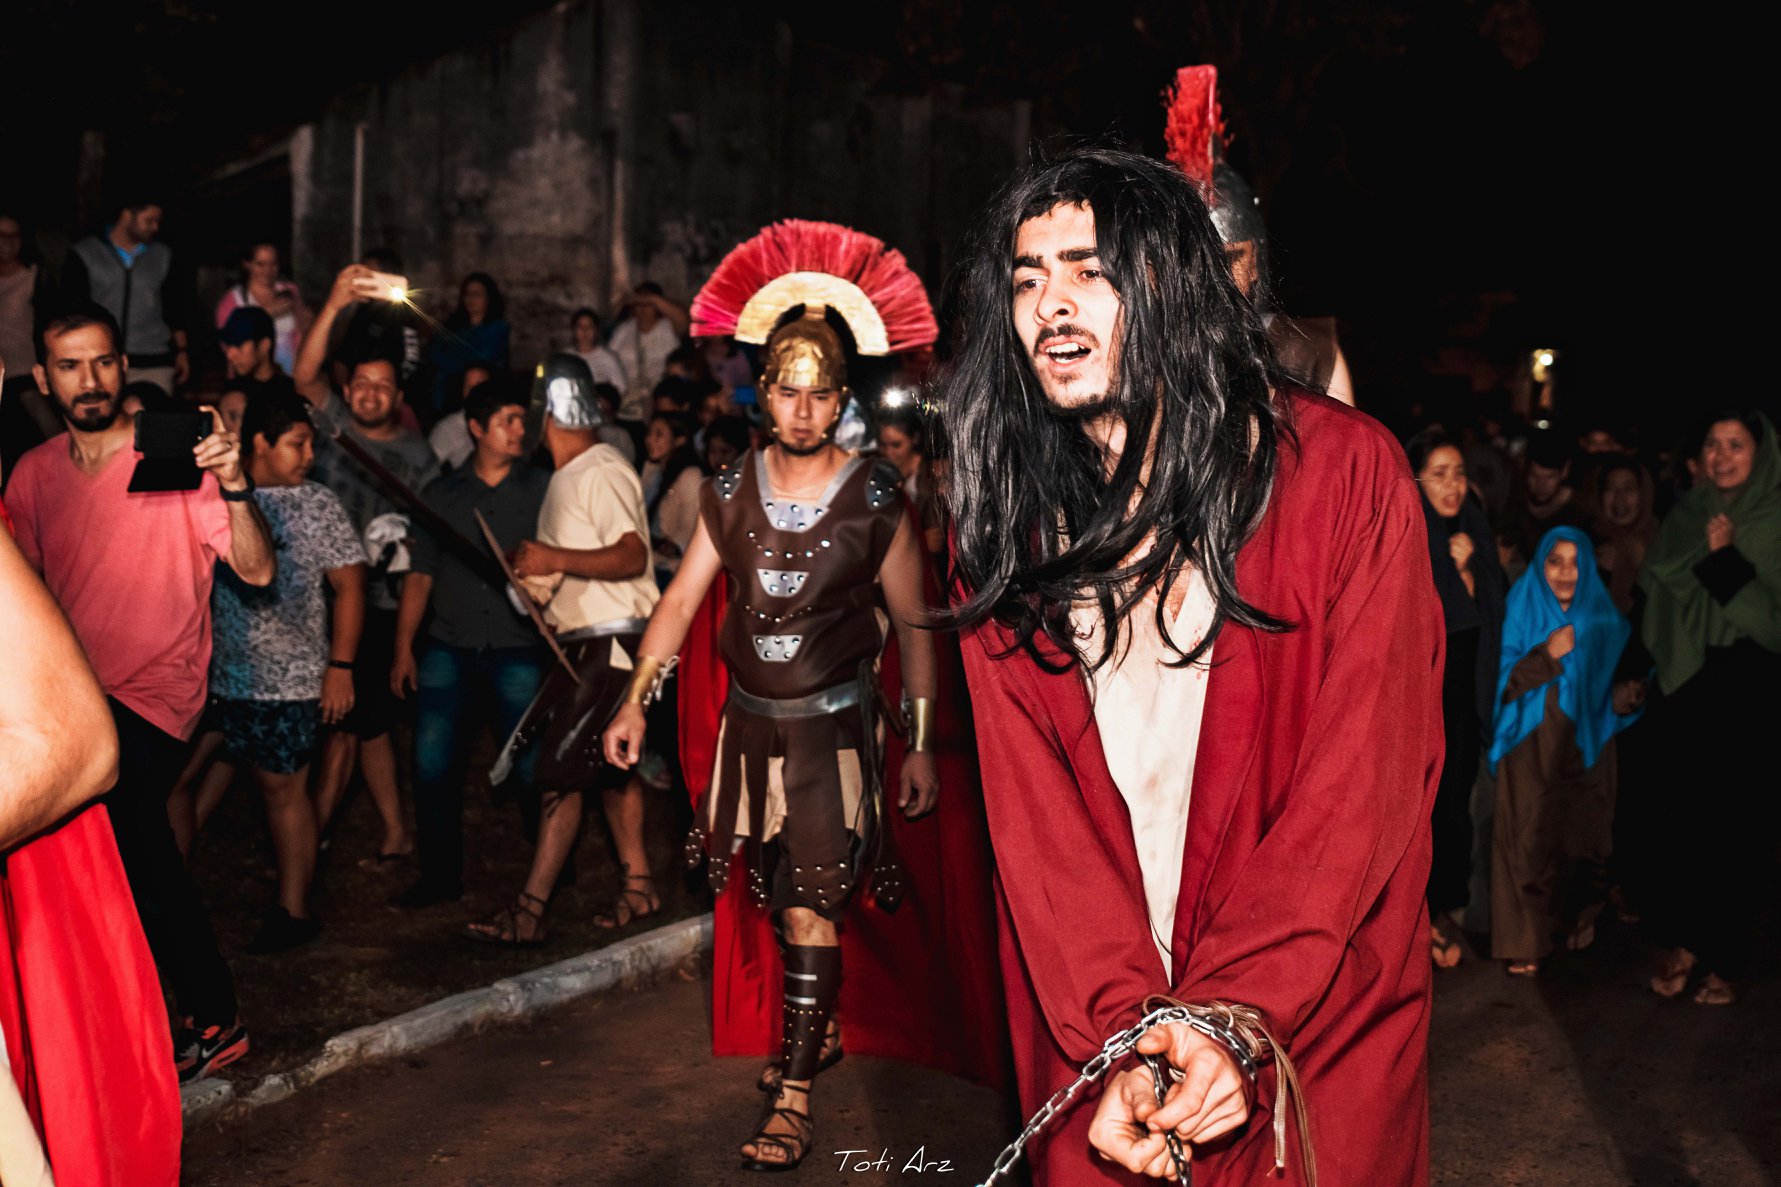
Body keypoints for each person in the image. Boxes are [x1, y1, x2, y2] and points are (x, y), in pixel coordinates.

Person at [937, 147, 1443, 1187]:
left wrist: (1232, 1008)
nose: (1050, 305)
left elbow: (1362, 782)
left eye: (1088, 271)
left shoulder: (1344, 479)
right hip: (1096, 1013)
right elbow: (1036, 825)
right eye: (1027, 281)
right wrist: (1125, 1028)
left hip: (1313, 1000)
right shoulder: (1002, 524)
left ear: (1175, 281)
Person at [603, 268, 942, 1169]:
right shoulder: (727, 489)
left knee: (807, 906)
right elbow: (680, 603)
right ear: (764, 393)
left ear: (839, 400)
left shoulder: (876, 497)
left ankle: (792, 1099)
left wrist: (916, 742)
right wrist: (634, 698)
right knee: (783, 896)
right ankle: (813, 1028)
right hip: (750, 733)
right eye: (787, 391)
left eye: (819, 393)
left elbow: (914, 624)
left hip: (833, 736)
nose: (802, 409)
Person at [7, 298, 275, 1083]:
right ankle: (129, 1021)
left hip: (160, 691)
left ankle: (212, 1014)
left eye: (101, 361)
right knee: (109, 852)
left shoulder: (175, 456)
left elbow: (257, 570)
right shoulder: (34, 474)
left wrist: (234, 483)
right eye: (69, 365)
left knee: (127, 821)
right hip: (77, 697)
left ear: (124, 366)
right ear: (43, 378)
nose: (88, 379)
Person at [0, 491, 181, 1185]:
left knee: (155, 863)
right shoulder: (39, 476)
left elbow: (74, 744)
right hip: (60, 690)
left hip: (123, 705)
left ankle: (212, 1015)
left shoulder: (175, 484)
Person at [464, 355, 657, 944]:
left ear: (548, 411)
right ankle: (639, 887)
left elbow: (632, 555)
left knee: (560, 774)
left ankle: (529, 912)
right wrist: (535, 580)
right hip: (583, 643)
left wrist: (554, 558)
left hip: (614, 642)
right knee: (612, 770)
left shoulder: (601, 467)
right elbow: (570, 572)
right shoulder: (563, 480)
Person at [202, 390, 367, 952]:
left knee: (282, 789)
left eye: (311, 444)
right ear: (259, 443)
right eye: (298, 444)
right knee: (179, 781)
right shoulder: (213, 493)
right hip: (215, 675)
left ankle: (293, 910)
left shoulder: (316, 503)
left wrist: (340, 666)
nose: (310, 456)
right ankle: (162, 894)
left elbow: (350, 586)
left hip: (290, 678)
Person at [296, 264, 441, 862]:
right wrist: (334, 302)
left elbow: (423, 560)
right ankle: (391, 830)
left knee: (351, 724)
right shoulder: (330, 426)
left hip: (378, 607)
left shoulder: (419, 458)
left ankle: (310, 842)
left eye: (382, 386)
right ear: (348, 387)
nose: (370, 394)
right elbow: (304, 376)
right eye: (361, 384)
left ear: (398, 398)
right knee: (363, 723)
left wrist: (405, 642)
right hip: (313, 598)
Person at [391, 377, 549, 907]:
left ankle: (551, 862)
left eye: (522, 420)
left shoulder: (542, 489)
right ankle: (439, 876)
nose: (519, 430)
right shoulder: (442, 495)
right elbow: (420, 575)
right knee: (432, 764)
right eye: (508, 421)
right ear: (476, 428)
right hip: (449, 648)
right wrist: (403, 648)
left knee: (530, 765)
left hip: (517, 647)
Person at [1640, 411, 1781, 1006]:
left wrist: (1724, 560)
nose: (1722, 456)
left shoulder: (1773, 518)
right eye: (1713, 444)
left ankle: (1727, 955)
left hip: (1750, 687)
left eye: (1736, 445)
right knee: (1683, 823)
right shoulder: (1688, 513)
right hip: (1687, 684)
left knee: (1738, 829)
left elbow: (1773, 625)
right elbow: (1652, 594)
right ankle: (1686, 941)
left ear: (1762, 453)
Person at [1487, 527, 1640, 977]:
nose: (1566, 573)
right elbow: (1496, 679)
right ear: (1540, 565)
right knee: (1525, 838)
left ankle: (1579, 916)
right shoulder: (1521, 606)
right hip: (1529, 738)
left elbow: (1631, 673)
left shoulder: (1604, 617)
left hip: (1587, 739)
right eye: (1555, 562)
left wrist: (1628, 694)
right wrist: (1545, 657)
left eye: (1575, 562)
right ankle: (1525, 941)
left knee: (1584, 837)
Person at [1162, 64, 1356, 406]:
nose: (1213, 279)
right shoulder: (1140, 349)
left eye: (1230, 259)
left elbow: (1344, 440)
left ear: (1254, 262)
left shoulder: (1307, 354)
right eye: (1193, 260)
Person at [1408, 429, 1505, 969]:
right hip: (1417, 698)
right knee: (1416, 810)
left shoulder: (1472, 528)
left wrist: (1467, 573)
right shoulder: (1405, 532)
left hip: (1463, 699)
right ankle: (1414, 921)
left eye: (1460, 474)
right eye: (1439, 474)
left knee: (1453, 808)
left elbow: (1491, 614)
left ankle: (1442, 913)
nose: (1453, 485)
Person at [60, 195, 191, 396]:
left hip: (154, 358)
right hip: (102, 357)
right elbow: (72, 308)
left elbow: (175, 306)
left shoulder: (163, 255)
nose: (155, 227)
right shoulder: (86, 253)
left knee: (154, 413)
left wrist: (182, 351)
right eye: (149, 220)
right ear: (127, 215)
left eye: (158, 221)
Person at [1, 214, 62, 477]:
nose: (6, 242)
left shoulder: (35, 276)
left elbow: (51, 322)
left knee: (49, 442)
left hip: (26, 374)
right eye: (1, 235)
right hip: (1, 375)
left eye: (12, 235)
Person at [333, 247, 424, 406]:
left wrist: (392, 395)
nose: (365, 278)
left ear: (387, 275)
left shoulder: (403, 313)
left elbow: (411, 360)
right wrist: (346, 390)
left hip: (390, 402)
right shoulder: (363, 309)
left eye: (370, 273)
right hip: (356, 396)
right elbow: (344, 354)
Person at [1498, 428, 1588, 577]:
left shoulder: (1582, 508)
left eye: (1549, 477)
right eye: (1534, 476)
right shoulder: (1515, 498)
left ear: (1565, 471)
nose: (1540, 485)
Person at [213, 240, 311, 375]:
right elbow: (227, 344)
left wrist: (304, 320)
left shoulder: (289, 290)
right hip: (250, 376)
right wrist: (264, 314)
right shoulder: (232, 300)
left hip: (290, 371)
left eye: (273, 264)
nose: (268, 270)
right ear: (247, 264)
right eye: (261, 264)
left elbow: (304, 334)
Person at [424, 272, 510, 419]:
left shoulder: (498, 328)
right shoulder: (453, 326)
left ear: (489, 298)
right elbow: (433, 353)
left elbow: (481, 359)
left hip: (480, 398)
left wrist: (453, 359)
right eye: (467, 294)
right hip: (446, 397)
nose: (471, 299)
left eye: (477, 294)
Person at [607, 282, 687, 425]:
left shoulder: (668, 328)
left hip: (658, 395)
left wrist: (652, 298)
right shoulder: (624, 330)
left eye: (648, 305)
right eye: (639, 304)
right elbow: (609, 359)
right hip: (627, 397)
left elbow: (684, 320)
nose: (643, 309)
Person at [640, 410, 702, 588]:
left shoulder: (691, 476)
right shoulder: (654, 472)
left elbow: (688, 532)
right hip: (650, 562)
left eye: (659, 434)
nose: (650, 440)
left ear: (680, 439)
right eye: (649, 433)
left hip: (671, 570)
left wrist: (672, 546)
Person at [1591, 456, 1660, 614]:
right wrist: (1602, 572)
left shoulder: (1662, 541)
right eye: (1610, 488)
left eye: (1628, 488)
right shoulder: (1583, 541)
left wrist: (1643, 566)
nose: (1619, 497)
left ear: (1643, 495)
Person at [427, 361, 495, 471]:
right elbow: (426, 471)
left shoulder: (507, 424)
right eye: (469, 387)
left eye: (479, 386)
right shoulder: (449, 428)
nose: (474, 392)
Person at [218, 305, 282, 382]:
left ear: (264, 345)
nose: (229, 355)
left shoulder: (290, 387)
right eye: (228, 345)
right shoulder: (230, 387)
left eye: (239, 345)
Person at [568, 307, 625, 389]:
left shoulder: (607, 358)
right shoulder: (566, 357)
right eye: (580, 326)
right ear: (573, 330)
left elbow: (620, 388)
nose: (584, 331)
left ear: (596, 330)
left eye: (589, 327)